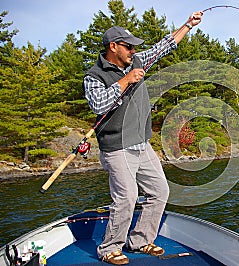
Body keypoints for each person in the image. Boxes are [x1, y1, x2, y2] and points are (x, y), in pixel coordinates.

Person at [83, 11, 202, 265]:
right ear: (113, 47)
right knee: (126, 196)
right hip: (117, 147)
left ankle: (139, 240)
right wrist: (125, 81)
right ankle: (109, 248)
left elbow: (163, 47)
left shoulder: (136, 60)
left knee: (160, 191)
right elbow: (98, 105)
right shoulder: (94, 76)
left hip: (141, 144)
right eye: (128, 46)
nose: (133, 50)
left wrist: (187, 25)